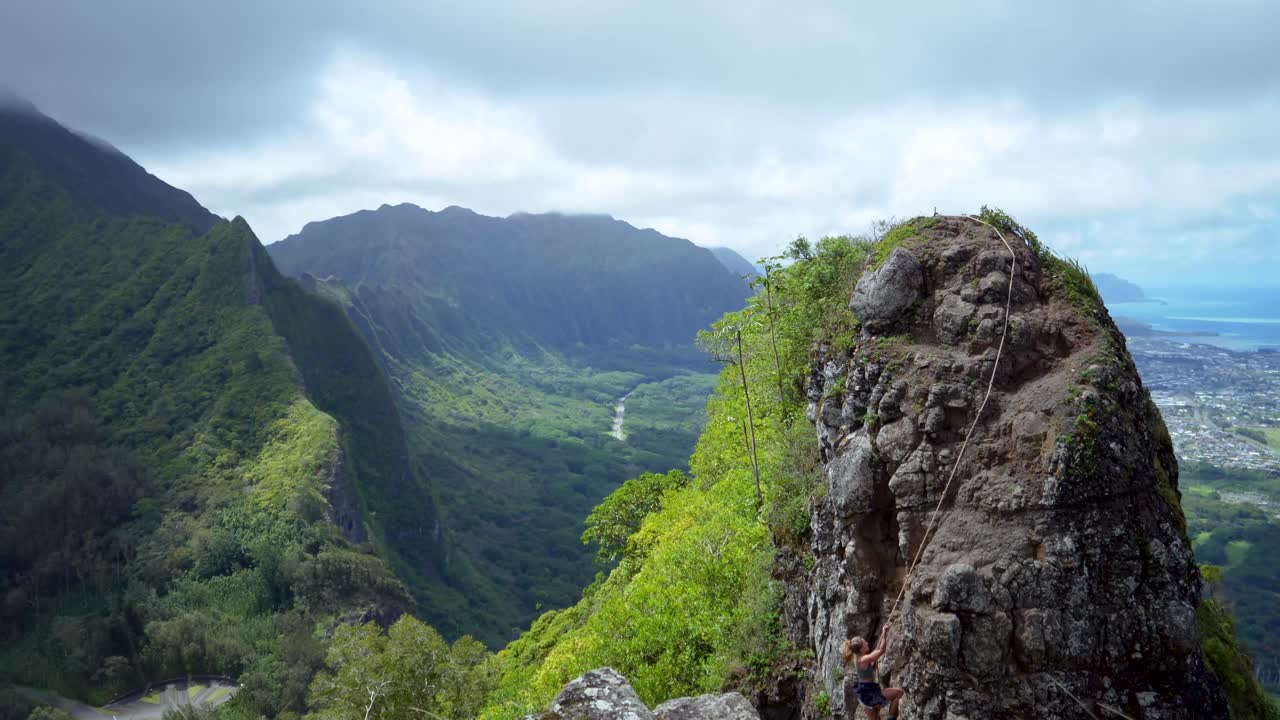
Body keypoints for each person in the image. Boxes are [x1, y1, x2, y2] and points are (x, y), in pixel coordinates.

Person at [841, 623, 906, 720]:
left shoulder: (857, 657)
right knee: (899, 693)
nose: (867, 643)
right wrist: (884, 633)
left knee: (875, 717)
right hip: (869, 693)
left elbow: (875, 653)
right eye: (864, 643)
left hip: (865, 692)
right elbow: (881, 651)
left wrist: (872, 663)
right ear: (861, 649)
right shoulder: (863, 659)